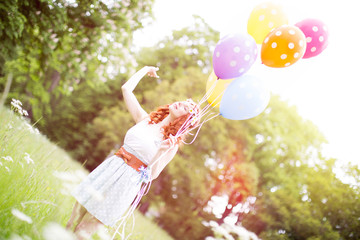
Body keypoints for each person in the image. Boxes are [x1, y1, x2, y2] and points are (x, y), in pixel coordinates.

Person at [66, 66, 200, 239]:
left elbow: (151, 175)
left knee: (84, 230)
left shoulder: (171, 145)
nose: (181, 103)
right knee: (74, 218)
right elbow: (126, 89)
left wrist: (161, 150)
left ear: (185, 121)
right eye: (184, 101)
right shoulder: (145, 120)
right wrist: (144, 70)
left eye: (186, 108)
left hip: (127, 182)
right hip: (112, 167)